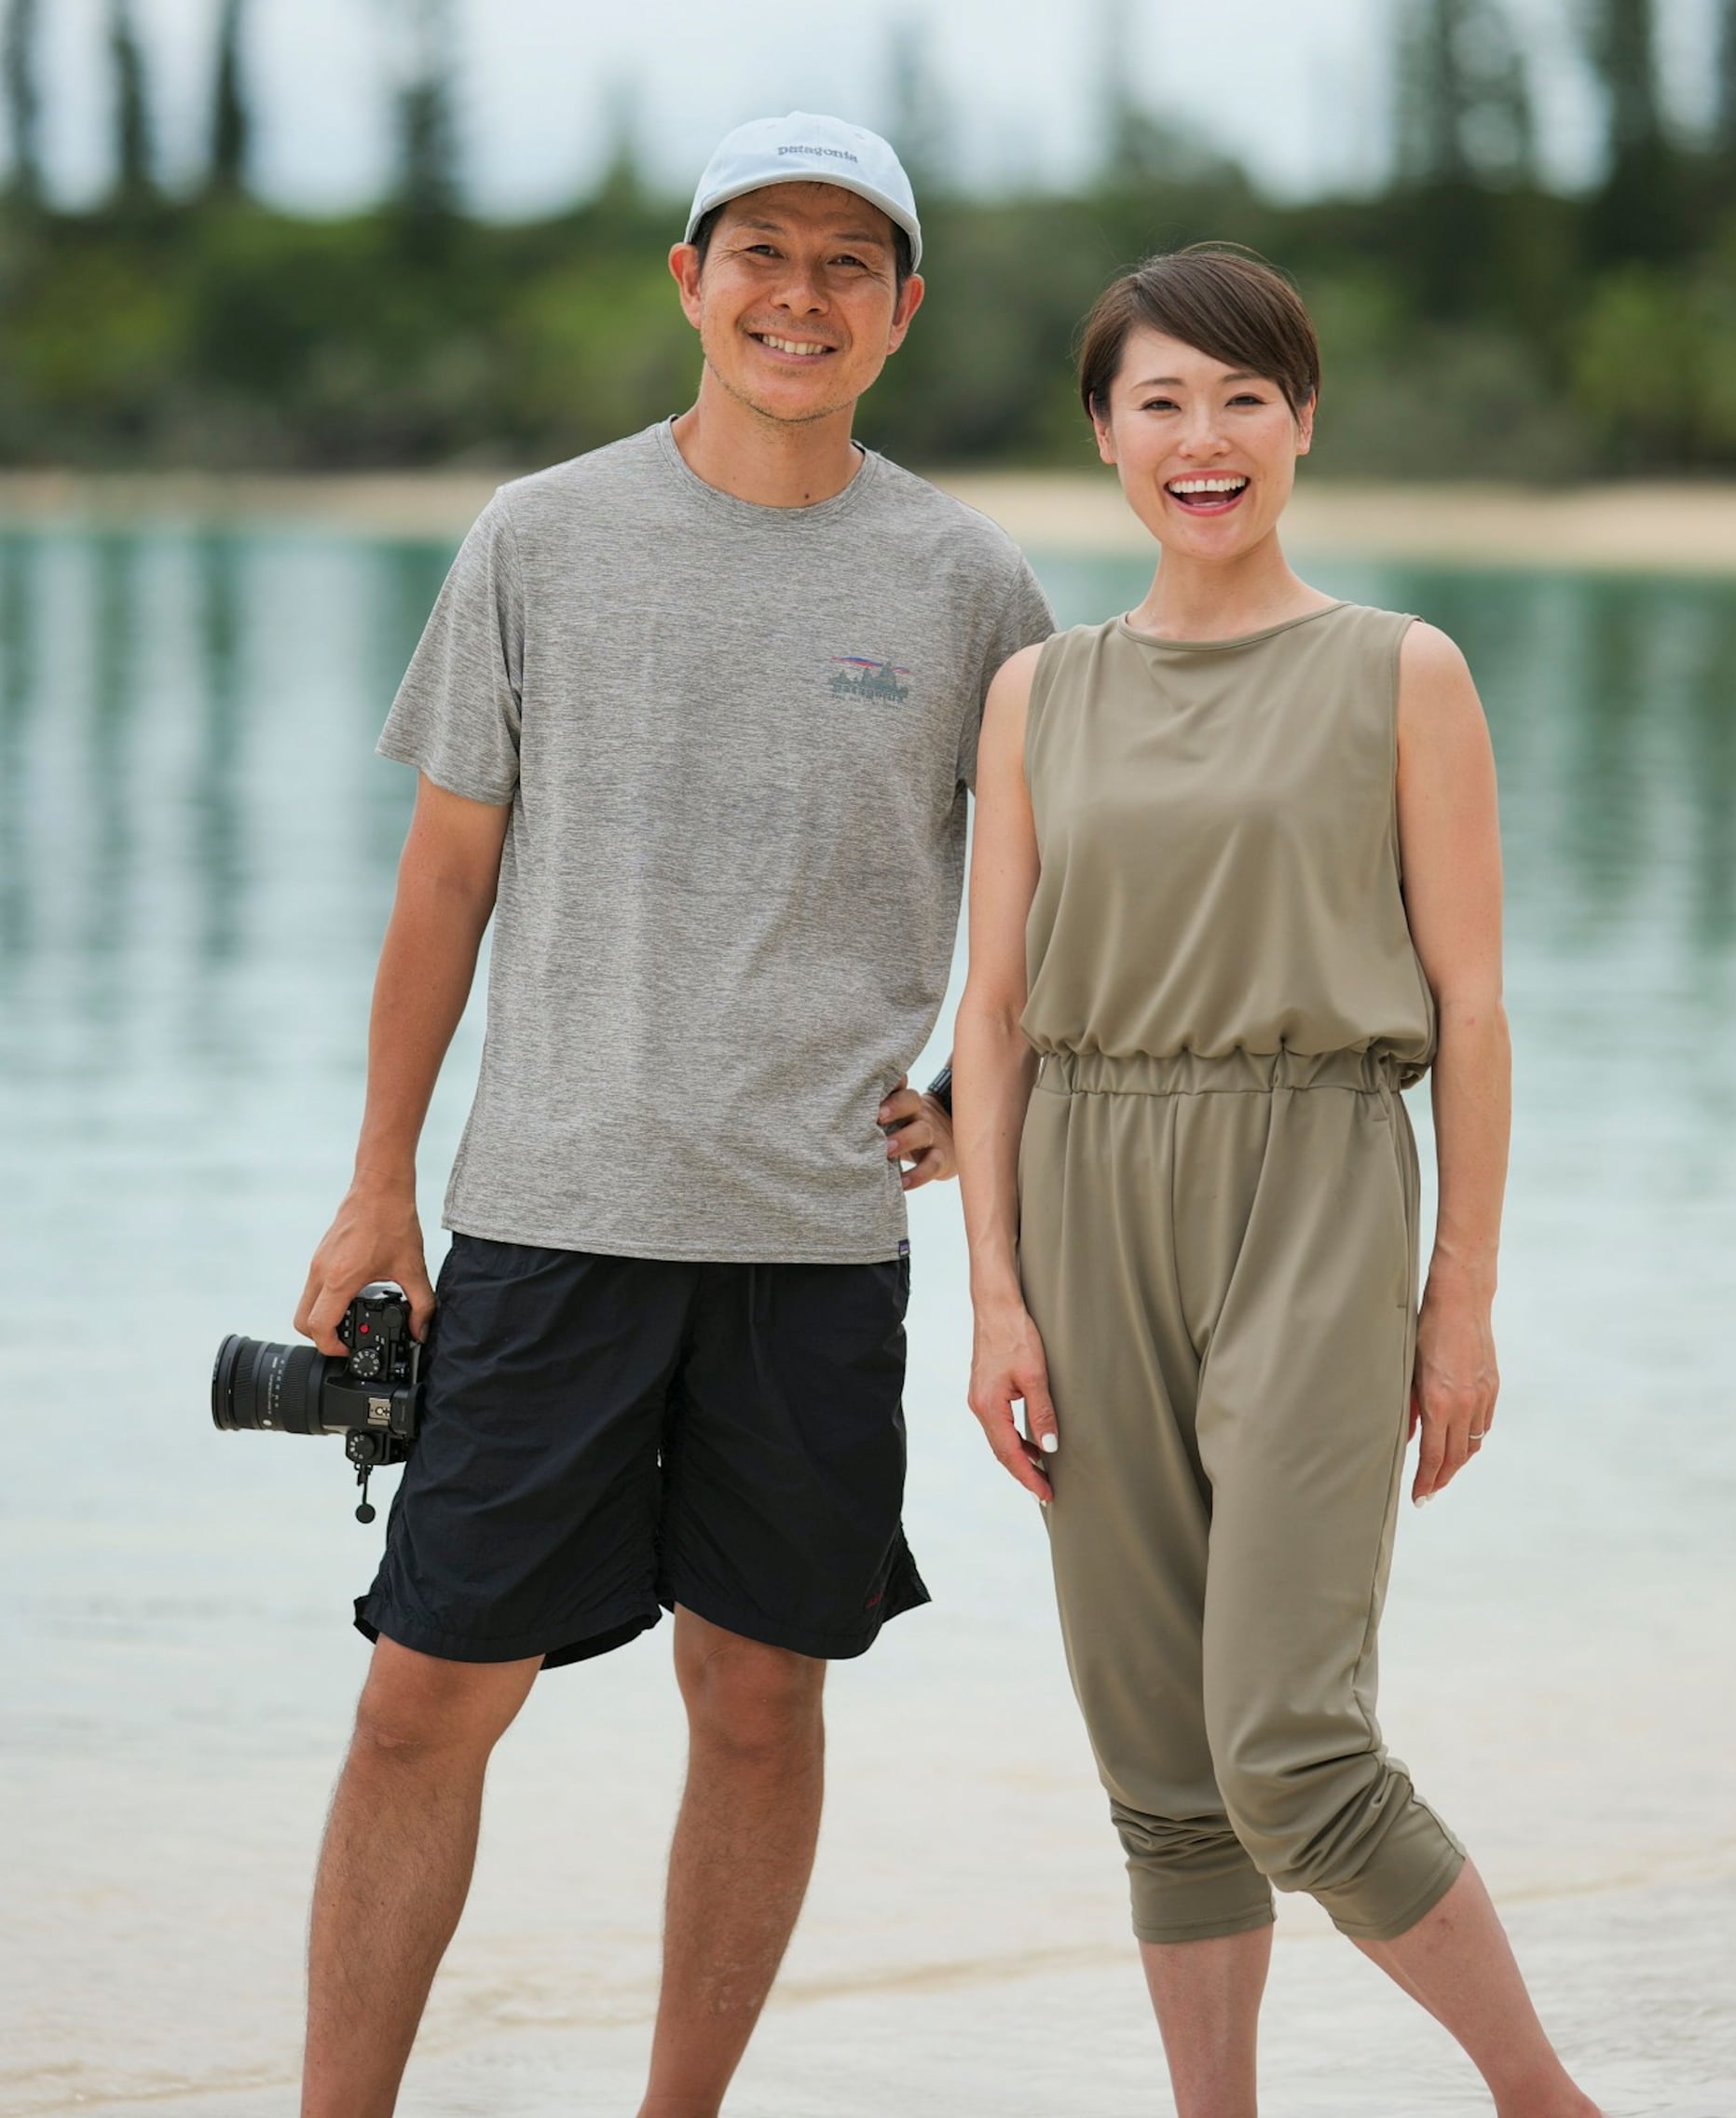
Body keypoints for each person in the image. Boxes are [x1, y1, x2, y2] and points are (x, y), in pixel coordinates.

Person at [291, 112, 1052, 2118]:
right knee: (419, 1701)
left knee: (761, 1697)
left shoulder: (969, 580)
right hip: (550, 1210)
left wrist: (977, 1094)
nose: (797, 297)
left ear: (899, 314)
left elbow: (1060, 890)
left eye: (845, 266)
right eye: (761, 255)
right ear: (689, 282)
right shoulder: (539, 537)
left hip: (813, 1242)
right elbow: (442, 878)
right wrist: (379, 1187)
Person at [953, 244, 1599, 2118]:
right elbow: (989, 1012)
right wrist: (996, 1290)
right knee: (1159, 1767)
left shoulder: (1399, 670)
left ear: (1302, 422)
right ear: (1103, 437)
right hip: (1084, 1198)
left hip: (1318, 1187)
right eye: (1159, 401)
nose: (1204, 438)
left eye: (1244, 397)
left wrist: (1458, 1296)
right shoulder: (1035, 693)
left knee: (1289, 1751)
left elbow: (1471, 1006)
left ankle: (1541, 2099)